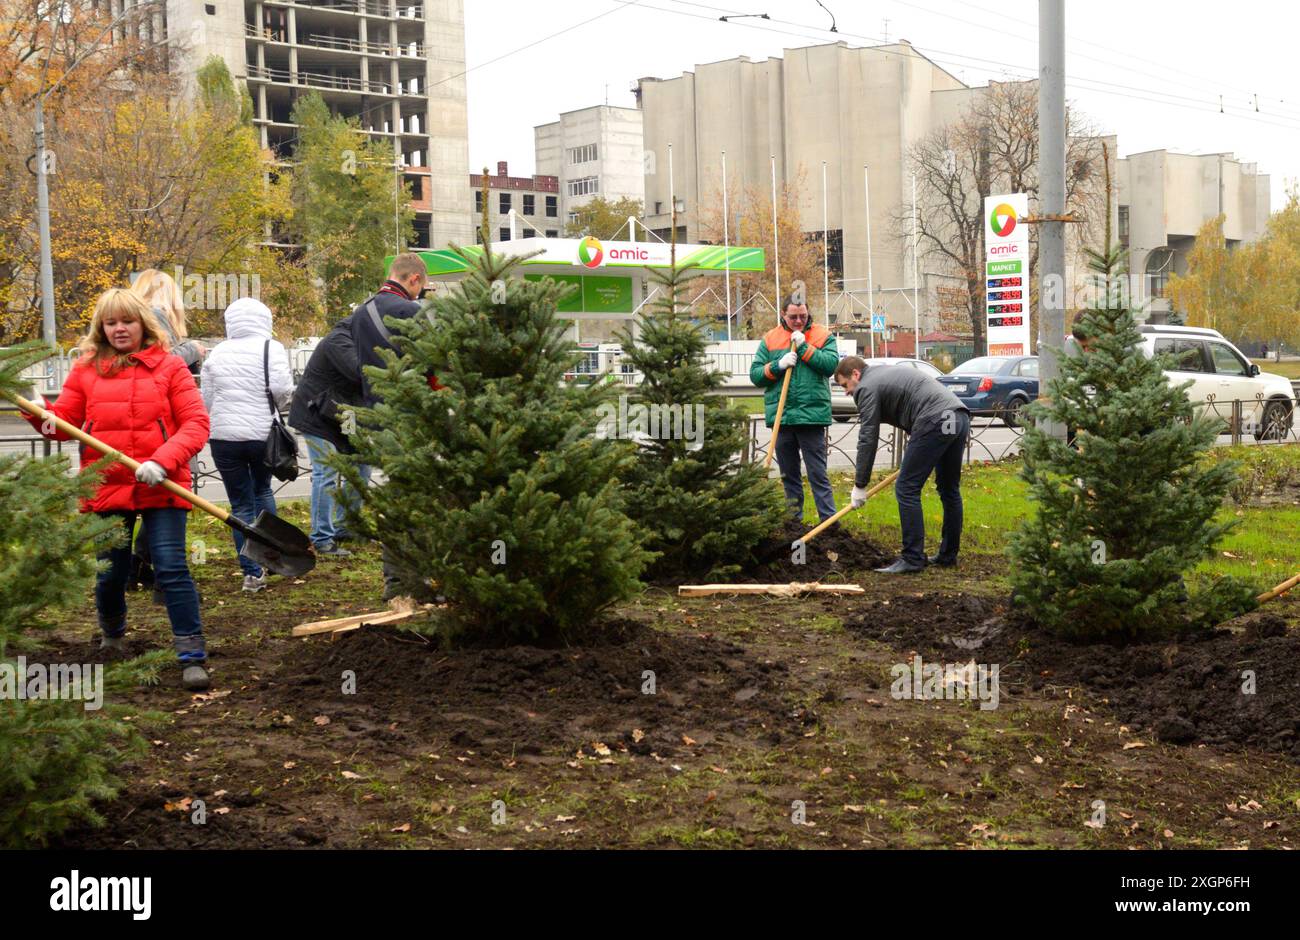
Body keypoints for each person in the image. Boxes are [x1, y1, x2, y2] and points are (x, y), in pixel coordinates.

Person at [25, 289, 213, 690]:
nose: (119, 329)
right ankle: (112, 635)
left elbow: (196, 424)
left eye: (126, 321)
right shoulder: (87, 370)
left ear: (142, 323)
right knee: (111, 571)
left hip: (161, 482)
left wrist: (162, 461)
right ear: (101, 327)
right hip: (107, 484)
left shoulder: (169, 367)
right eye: (111, 323)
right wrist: (35, 409)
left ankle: (191, 655)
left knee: (171, 566)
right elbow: (62, 428)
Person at [345, 252, 440, 602]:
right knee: (417, 498)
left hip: (377, 416)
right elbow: (436, 359)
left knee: (391, 498)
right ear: (413, 279)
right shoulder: (410, 311)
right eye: (422, 286)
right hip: (411, 416)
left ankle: (396, 582)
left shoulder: (360, 313)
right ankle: (416, 582)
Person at [833, 356, 971, 574]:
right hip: (956, 416)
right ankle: (947, 556)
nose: (846, 392)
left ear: (856, 375)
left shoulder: (866, 388)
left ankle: (912, 558)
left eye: (845, 385)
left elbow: (868, 436)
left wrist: (860, 484)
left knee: (907, 488)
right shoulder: (882, 373)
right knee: (949, 489)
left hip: (935, 418)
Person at [200, 297, 295, 593]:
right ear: (264, 321)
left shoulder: (217, 353)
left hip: (224, 438)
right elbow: (281, 390)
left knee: (240, 503)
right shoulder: (271, 348)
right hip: (261, 434)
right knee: (262, 490)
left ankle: (251, 574)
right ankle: (274, 557)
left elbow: (206, 399)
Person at [749, 296, 839, 522]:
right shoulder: (770, 339)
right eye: (793, 317)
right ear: (783, 315)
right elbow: (756, 375)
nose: (798, 321)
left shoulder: (822, 335)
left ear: (808, 313)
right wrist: (777, 366)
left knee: (818, 474)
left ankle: (829, 523)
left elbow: (830, 366)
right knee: (789, 475)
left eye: (803, 316)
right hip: (783, 418)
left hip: (812, 418)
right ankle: (793, 522)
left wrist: (804, 348)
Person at [287, 319, 366, 558]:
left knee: (360, 467)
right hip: (316, 414)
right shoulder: (338, 340)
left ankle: (346, 527)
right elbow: (360, 373)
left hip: (343, 414)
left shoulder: (359, 341)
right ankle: (322, 538)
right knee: (327, 471)